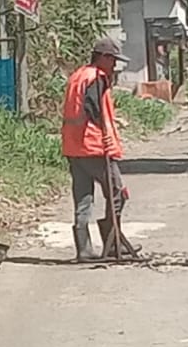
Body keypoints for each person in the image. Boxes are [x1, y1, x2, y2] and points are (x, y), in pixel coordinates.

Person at [60, 36, 142, 263]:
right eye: (113, 60)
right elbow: (92, 108)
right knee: (117, 193)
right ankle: (113, 243)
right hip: (95, 147)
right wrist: (105, 135)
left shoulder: (77, 75)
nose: (115, 65)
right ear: (103, 57)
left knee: (83, 198)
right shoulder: (96, 78)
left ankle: (84, 249)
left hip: (74, 146)